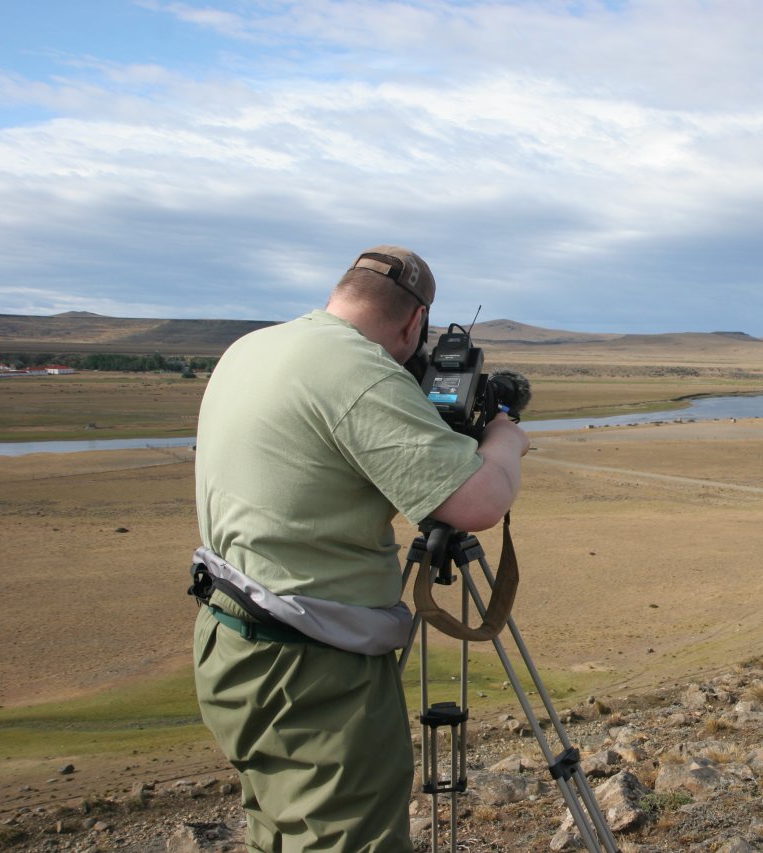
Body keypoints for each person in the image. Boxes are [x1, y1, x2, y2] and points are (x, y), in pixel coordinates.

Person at [191, 245, 529, 852]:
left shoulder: (253, 347)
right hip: (312, 666)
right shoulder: (357, 369)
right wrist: (503, 434)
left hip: (230, 642)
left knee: (282, 830)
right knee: (344, 837)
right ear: (413, 322)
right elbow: (478, 503)